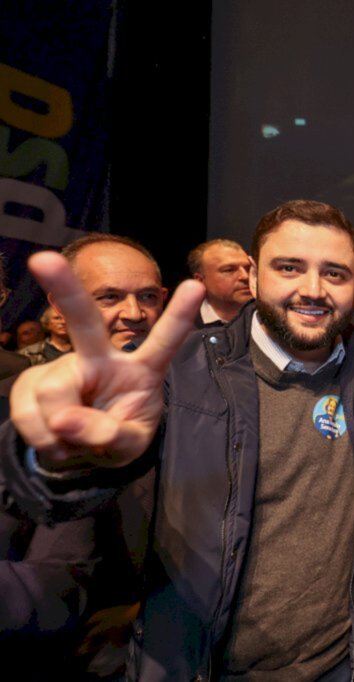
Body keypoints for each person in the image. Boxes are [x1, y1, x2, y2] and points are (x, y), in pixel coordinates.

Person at [0, 199, 354, 680]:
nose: (312, 290)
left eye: (335, 274)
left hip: (340, 665)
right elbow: (50, 498)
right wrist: (59, 458)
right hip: (201, 666)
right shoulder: (181, 370)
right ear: (253, 278)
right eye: (289, 267)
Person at [1, 233, 166, 678]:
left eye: (147, 296)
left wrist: (143, 613)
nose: (134, 314)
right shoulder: (13, 402)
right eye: (109, 296)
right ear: (61, 304)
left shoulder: (200, 406)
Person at [187, 238, 253, 325]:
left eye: (248, 269)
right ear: (200, 280)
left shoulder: (269, 319)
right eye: (229, 270)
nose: (246, 276)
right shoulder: (185, 327)